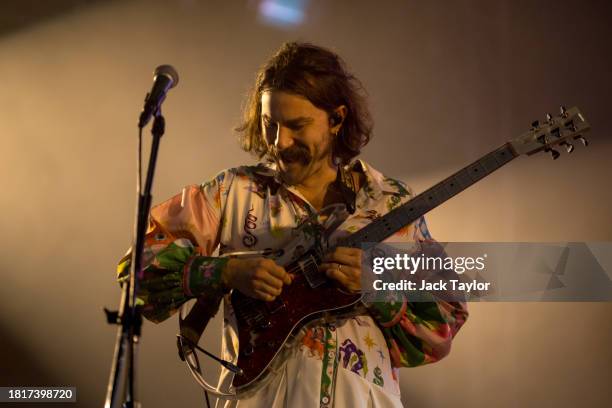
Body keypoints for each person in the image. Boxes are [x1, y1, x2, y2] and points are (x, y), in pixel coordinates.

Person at [117, 42, 468, 407]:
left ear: (337, 119)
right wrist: (224, 271)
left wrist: (376, 285)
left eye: (297, 126)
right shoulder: (232, 192)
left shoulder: (390, 201)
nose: (279, 142)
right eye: (270, 124)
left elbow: (445, 319)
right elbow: (135, 272)